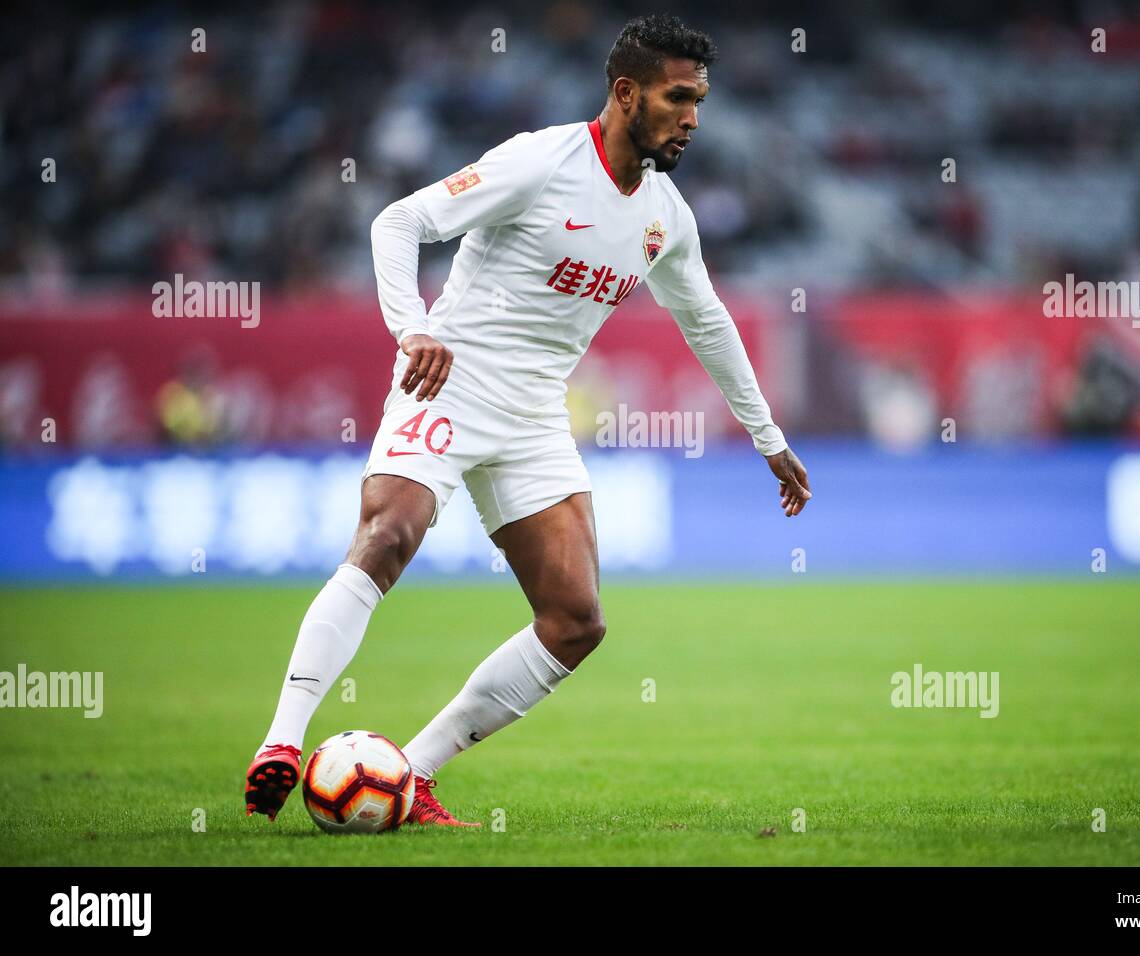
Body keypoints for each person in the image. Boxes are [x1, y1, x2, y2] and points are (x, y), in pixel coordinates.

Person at [245, 13, 810, 826]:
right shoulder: (541, 161)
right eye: (678, 97)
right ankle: (283, 741)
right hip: (449, 379)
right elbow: (398, 221)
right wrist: (415, 326)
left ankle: (411, 773)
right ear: (626, 92)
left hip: (534, 416)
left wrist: (770, 439)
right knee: (389, 534)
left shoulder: (664, 217)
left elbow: (708, 322)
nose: (693, 117)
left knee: (577, 620)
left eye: (700, 100)